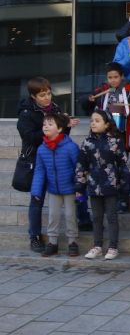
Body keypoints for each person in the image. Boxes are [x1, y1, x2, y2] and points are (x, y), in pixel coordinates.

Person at [17, 77, 83, 253]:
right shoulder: (26, 113)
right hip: (37, 157)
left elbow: (62, 133)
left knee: (71, 199)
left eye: (48, 93)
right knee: (36, 198)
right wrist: (49, 130)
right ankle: (35, 236)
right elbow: (29, 137)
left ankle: (79, 227)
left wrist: (65, 125)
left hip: (59, 157)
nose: (47, 97)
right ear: (33, 96)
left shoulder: (55, 108)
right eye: (42, 95)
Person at [79, 62, 130, 209]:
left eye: (116, 77)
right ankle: (112, 198)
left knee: (124, 167)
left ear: (122, 76)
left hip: (125, 132)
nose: (113, 80)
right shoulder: (101, 90)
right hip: (105, 134)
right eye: (110, 77)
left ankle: (124, 198)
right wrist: (88, 100)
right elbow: (86, 105)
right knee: (108, 167)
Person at [75, 110, 130, 260]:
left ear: (107, 124)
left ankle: (113, 247)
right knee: (97, 217)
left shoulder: (115, 141)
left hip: (111, 185)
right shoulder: (87, 142)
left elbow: (124, 164)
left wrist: (125, 184)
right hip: (93, 186)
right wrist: (80, 186)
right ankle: (97, 246)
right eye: (92, 120)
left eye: (97, 120)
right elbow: (81, 166)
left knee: (112, 217)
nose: (93, 123)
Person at [31, 113, 80, 257]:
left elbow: (79, 169)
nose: (46, 126)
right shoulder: (42, 149)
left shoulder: (71, 147)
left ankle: (72, 242)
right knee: (53, 216)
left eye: (50, 124)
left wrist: (79, 188)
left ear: (60, 129)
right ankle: (53, 243)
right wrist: (36, 192)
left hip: (70, 189)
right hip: (53, 189)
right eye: (44, 124)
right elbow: (39, 172)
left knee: (70, 215)